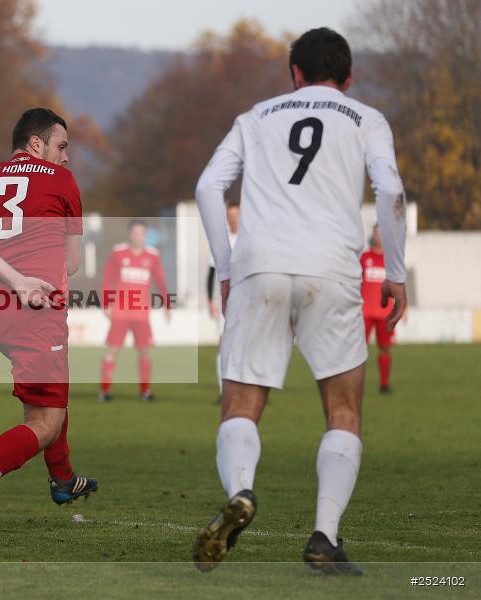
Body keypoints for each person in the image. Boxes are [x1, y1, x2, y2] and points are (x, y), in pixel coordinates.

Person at [193, 28, 407, 574]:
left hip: (259, 265)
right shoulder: (367, 119)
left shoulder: (255, 117)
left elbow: (207, 187)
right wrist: (397, 274)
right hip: (332, 270)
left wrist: (226, 265)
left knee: (240, 406)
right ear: (349, 75)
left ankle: (242, 491)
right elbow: (390, 191)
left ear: (294, 74)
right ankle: (323, 537)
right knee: (343, 410)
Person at [0, 108, 98, 535]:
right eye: (62, 146)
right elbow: (74, 262)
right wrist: (28, 279)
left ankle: (63, 479)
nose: (66, 158)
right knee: (44, 422)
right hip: (34, 309)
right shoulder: (62, 180)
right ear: (36, 144)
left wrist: (8, 277)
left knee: (50, 399)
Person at [99, 220, 170, 402]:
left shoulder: (153, 256)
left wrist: (167, 305)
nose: (138, 236)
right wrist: (106, 302)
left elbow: (161, 281)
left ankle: (145, 391)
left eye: (141, 233)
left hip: (141, 314)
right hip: (121, 312)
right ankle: (105, 391)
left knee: (145, 351)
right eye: (135, 233)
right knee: (112, 350)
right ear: (130, 234)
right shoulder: (118, 253)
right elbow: (108, 278)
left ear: (145, 235)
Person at [206, 204, 239, 401]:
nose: (234, 218)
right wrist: (210, 299)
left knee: (250, 346)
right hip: (225, 300)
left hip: (250, 300)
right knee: (223, 345)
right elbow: (211, 272)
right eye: (231, 215)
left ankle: (254, 389)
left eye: (237, 215)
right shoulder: (222, 241)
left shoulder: (250, 236)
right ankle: (223, 390)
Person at [361, 224, 398, 394]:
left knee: (385, 348)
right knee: (359, 351)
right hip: (365, 312)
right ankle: (355, 385)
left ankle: (384, 384)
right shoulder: (364, 257)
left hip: (385, 313)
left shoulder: (391, 260)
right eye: (378, 233)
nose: (380, 237)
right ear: (373, 236)